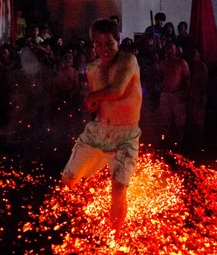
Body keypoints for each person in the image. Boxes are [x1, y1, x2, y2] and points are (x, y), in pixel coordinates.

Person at [61, 19, 142, 238]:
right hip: (98, 132)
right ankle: (73, 223)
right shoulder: (92, 69)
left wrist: (92, 96)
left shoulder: (128, 60)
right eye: (98, 44)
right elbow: (98, 103)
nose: (104, 49)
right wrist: (92, 104)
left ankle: (115, 239)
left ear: (118, 40)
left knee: (118, 190)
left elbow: (116, 89)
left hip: (125, 135)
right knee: (68, 179)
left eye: (109, 43)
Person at [157, 42, 191, 148]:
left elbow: (188, 79)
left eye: (172, 49)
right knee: (164, 121)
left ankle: (179, 145)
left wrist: (186, 93)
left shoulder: (181, 63)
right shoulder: (163, 63)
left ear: (176, 50)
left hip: (178, 94)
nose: (170, 51)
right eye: (168, 49)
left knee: (179, 122)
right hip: (165, 94)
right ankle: (166, 144)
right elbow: (159, 77)